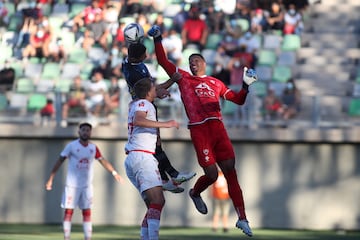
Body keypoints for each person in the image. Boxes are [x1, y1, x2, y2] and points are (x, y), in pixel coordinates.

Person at [148, 25, 258, 237]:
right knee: (212, 174)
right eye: (190, 62)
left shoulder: (215, 82)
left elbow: (238, 101)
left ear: (204, 63)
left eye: (196, 61)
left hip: (218, 128)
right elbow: (163, 62)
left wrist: (245, 86)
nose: (192, 64)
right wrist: (158, 38)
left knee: (231, 172)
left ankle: (242, 218)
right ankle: (195, 192)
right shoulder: (183, 78)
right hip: (199, 129)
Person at [122, 42, 196, 193]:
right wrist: (172, 80)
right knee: (155, 144)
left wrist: (157, 91)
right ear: (137, 57)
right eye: (144, 54)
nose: (147, 56)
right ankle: (173, 176)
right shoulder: (136, 77)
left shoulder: (129, 63)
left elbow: (151, 90)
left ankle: (165, 178)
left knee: (156, 145)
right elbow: (150, 90)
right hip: (140, 156)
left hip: (143, 104)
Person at [45, 122, 124, 240]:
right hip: (72, 185)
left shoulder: (93, 148)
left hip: (86, 186)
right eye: (83, 130)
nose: (86, 132)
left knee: (87, 211)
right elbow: (59, 161)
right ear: (79, 132)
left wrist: (114, 173)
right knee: (69, 211)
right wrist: (51, 178)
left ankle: (88, 237)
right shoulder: (71, 146)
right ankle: (67, 237)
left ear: (90, 132)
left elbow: (102, 160)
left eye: (88, 130)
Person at [124, 77, 179, 240]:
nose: (156, 88)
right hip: (142, 157)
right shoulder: (144, 104)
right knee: (158, 201)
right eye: (154, 87)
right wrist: (166, 124)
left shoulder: (135, 103)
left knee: (153, 205)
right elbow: (139, 120)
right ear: (148, 92)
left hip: (135, 158)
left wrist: (168, 85)